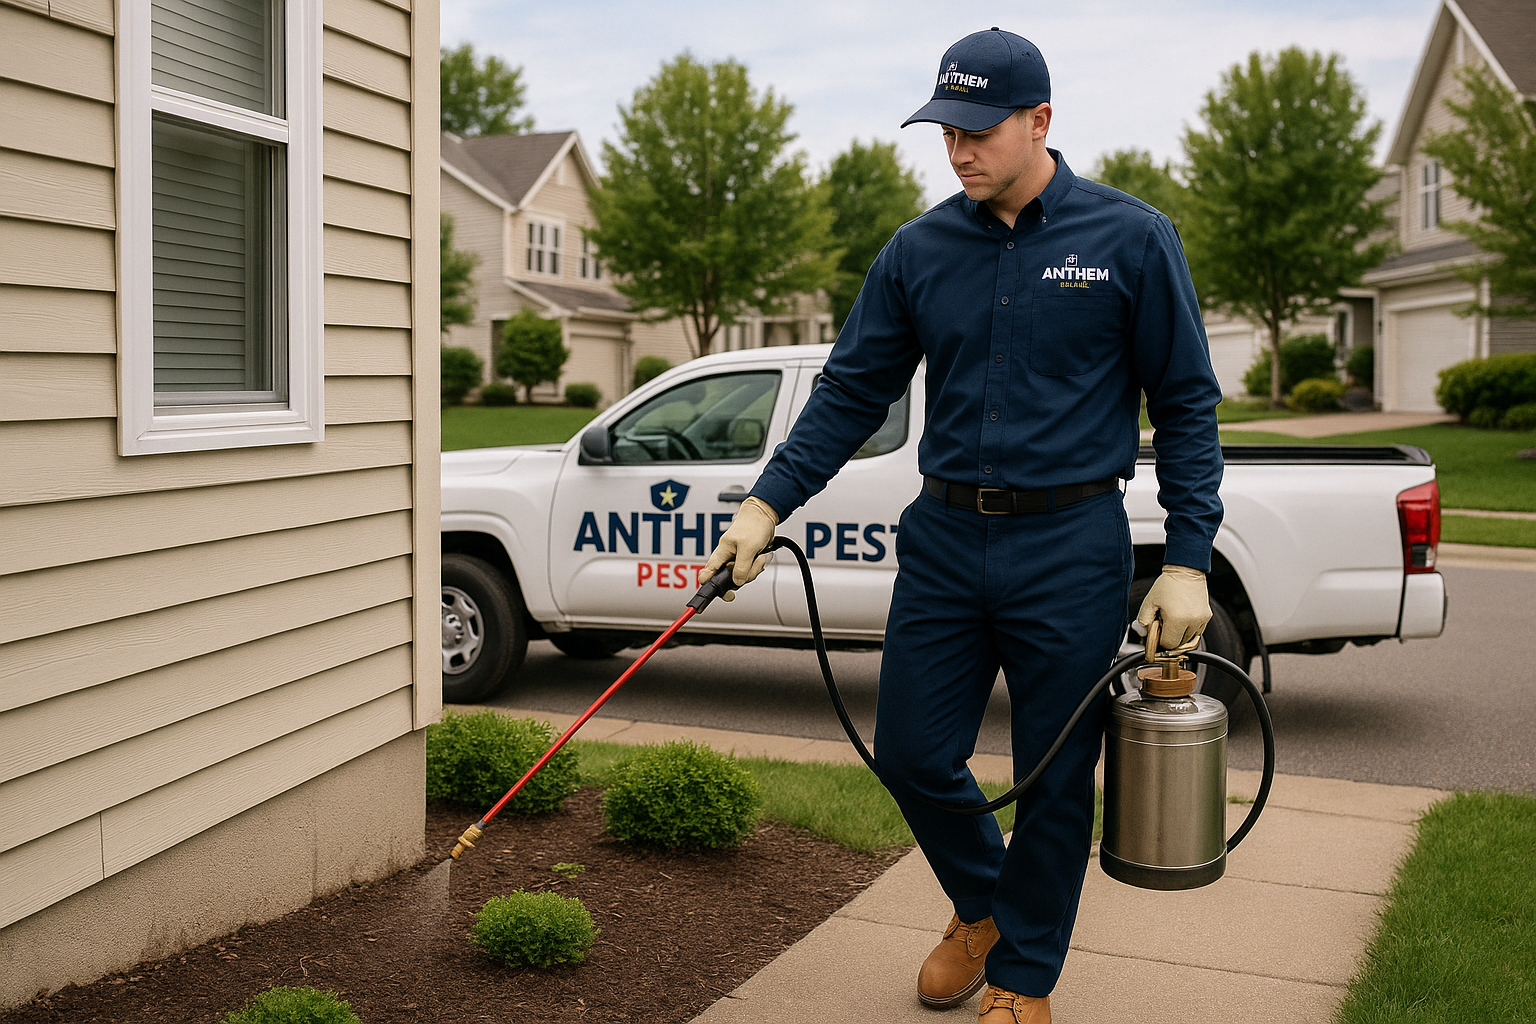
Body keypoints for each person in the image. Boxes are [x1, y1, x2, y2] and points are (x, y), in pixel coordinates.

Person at [701, 27, 1222, 1024]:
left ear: (1041, 121)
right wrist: (767, 503)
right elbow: (851, 392)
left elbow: (1188, 404)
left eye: (980, 130)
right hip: (943, 541)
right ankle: (983, 906)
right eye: (946, 128)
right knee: (911, 750)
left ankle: (1023, 978)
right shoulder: (918, 249)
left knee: (1055, 778)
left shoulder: (1131, 238)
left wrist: (1188, 558)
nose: (959, 150)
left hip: (1071, 544)